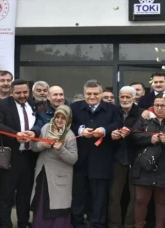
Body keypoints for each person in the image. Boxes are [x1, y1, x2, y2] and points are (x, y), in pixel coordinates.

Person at [70, 80, 122, 228]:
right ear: (84, 93)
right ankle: (78, 224)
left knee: (99, 198)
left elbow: (118, 124)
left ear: (101, 94)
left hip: (102, 160)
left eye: (95, 93)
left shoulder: (112, 109)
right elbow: (67, 125)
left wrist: (104, 130)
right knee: (78, 197)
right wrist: (81, 131)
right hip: (79, 160)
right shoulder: (74, 108)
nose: (92, 96)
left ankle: (97, 224)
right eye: (88, 94)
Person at [130, 94, 165, 228]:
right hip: (145, 166)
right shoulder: (145, 118)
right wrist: (149, 139)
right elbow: (134, 135)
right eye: (156, 105)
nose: (159, 108)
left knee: (162, 201)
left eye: (163, 105)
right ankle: (139, 225)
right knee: (140, 200)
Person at [0, 79, 40, 228]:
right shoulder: (1, 105)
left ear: (29, 92)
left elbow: (40, 122)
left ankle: (23, 223)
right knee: (6, 195)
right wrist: (16, 134)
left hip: (29, 156)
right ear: (12, 92)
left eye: (25, 92)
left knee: (25, 195)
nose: (22, 95)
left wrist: (34, 132)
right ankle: (5, 224)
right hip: (10, 157)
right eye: (18, 92)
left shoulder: (33, 104)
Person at [30, 105, 78, 228]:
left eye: (63, 118)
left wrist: (61, 149)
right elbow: (34, 147)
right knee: (41, 204)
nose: (59, 120)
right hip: (42, 174)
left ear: (68, 120)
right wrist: (43, 145)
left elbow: (73, 159)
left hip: (59, 178)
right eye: (57, 117)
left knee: (57, 206)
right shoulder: (46, 128)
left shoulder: (70, 135)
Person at [108, 86, 144, 228]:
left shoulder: (142, 113)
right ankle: (114, 224)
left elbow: (145, 133)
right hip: (116, 158)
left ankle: (130, 224)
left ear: (134, 98)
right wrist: (112, 135)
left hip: (136, 159)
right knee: (114, 195)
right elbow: (107, 128)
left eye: (128, 97)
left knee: (136, 196)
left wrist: (131, 133)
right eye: (122, 97)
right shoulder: (114, 111)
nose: (124, 100)